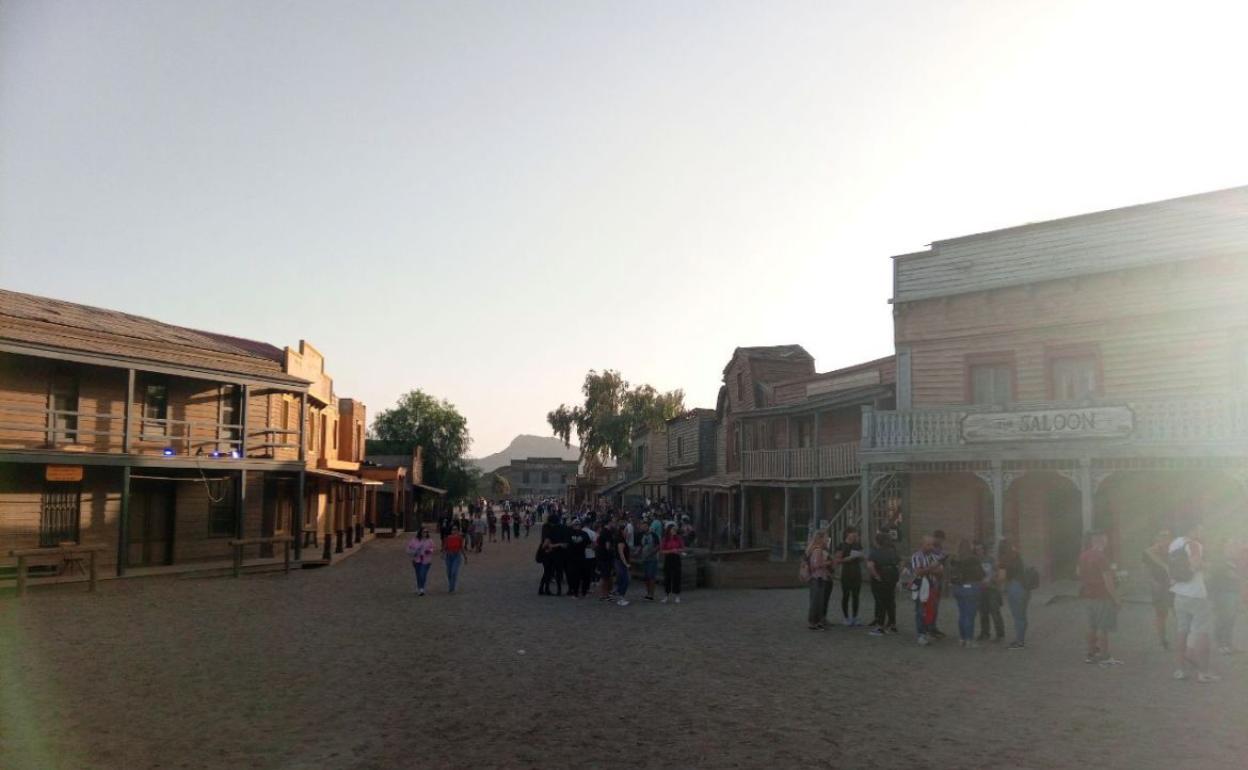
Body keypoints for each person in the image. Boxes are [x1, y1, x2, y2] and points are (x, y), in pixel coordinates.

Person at [1170, 521, 1219, 682]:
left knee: (1181, 631)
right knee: (1202, 633)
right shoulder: (1195, 544)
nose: (1202, 531)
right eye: (1200, 528)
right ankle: (1203, 672)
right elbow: (1195, 564)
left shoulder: (1175, 543)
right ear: (1193, 529)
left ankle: (1179, 670)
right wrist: (1205, 566)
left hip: (1178, 592)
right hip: (1196, 594)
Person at [1078, 531, 1122, 665]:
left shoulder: (1083, 555)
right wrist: (1116, 598)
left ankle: (1090, 654)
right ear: (1102, 541)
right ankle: (1105, 656)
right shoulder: (1102, 557)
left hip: (1087, 594)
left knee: (1091, 626)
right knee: (1103, 628)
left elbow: (1078, 572)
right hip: (1102, 595)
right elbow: (1108, 581)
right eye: (1105, 540)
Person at [950, 539, 985, 648]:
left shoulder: (955, 559)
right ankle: (969, 640)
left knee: (962, 614)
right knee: (970, 615)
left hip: (958, 589)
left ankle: (962, 639)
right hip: (971, 588)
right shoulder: (973, 559)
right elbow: (981, 574)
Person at [909, 536, 944, 646]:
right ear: (922, 544)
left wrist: (930, 569)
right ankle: (921, 634)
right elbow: (918, 572)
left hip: (933, 586)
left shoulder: (934, 556)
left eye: (932, 545)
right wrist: (931, 568)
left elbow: (940, 572)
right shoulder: (916, 556)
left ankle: (929, 630)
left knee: (931, 610)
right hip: (921, 587)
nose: (931, 547)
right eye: (928, 545)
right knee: (920, 610)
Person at [1142, 529, 1173, 649]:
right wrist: (1152, 582)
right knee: (1161, 614)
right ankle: (1162, 639)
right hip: (1159, 586)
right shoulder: (1149, 552)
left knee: (1178, 612)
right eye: (1162, 537)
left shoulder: (1172, 551)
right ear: (1156, 538)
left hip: (1173, 585)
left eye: (1167, 537)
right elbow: (1145, 570)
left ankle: (1182, 638)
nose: (1165, 539)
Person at [1210, 538, 1242, 656]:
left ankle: (1228, 643)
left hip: (1233, 592)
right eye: (1230, 546)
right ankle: (1220, 644)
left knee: (1231, 620)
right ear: (1224, 547)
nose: (1233, 548)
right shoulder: (1219, 560)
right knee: (1222, 619)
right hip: (1222, 593)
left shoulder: (1234, 560)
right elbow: (1221, 575)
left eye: (1234, 546)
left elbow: (1237, 575)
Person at [867, 532, 900, 635]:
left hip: (881, 577)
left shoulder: (874, 552)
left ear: (877, 541)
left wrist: (876, 576)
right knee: (890, 601)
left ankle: (880, 626)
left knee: (880, 602)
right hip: (892, 577)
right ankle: (892, 624)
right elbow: (901, 562)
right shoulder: (891, 551)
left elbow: (870, 566)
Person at [999, 539, 1029, 650]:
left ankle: (1019, 642)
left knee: (1017, 616)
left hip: (1013, 587)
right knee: (1022, 615)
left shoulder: (1004, 559)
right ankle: (1021, 639)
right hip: (1024, 587)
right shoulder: (1017, 556)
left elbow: (1001, 577)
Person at [974, 541, 1005, 642]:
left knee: (994, 611)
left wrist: (990, 579)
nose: (978, 551)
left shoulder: (991, 559)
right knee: (983, 612)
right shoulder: (975, 560)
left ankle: (1000, 634)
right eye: (976, 549)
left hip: (992, 589)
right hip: (981, 589)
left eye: (980, 549)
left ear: (984, 550)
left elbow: (997, 571)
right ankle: (985, 633)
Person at [835, 527, 865, 626]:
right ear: (847, 534)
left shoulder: (857, 545)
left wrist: (860, 556)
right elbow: (838, 560)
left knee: (856, 596)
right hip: (846, 571)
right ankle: (846, 617)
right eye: (853, 533)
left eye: (856, 533)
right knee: (846, 595)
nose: (855, 535)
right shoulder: (841, 545)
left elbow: (862, 557)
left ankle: (855, 616)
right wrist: (847, 559)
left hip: (856, 571)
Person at [806, 530, 833, 630]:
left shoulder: (817, 549)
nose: (827, 540)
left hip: (820, 577)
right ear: (821, 539)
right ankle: (813, 622)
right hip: (818, 578)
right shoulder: (817, 550)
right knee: (816, 601)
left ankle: (816, 621)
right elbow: (816, 565)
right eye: (826, 538)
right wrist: (827, 563)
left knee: (819, 601)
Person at [405, 527, 436, 596]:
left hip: (426, 560)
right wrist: (413, 552)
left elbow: (432, 548)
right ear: (420, 532)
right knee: (418, 575)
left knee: (423, 574)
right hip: (417, 560)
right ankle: (420, 587)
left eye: (426, 532)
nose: (425, 533)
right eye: (424, 532)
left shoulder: (429, 540)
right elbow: (407, 549)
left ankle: (422, 588)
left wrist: (430, 551)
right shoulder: (414, 540)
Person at [661, 524, 685, 604]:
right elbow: (662, 551)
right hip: (668, 558)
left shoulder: (678, 538)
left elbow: (682, 548)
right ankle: (666, 596)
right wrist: (671, 551)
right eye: (672, 529)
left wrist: (678, 550)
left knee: (677, 577)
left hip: (676, 558)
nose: (674, 531)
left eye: (675, 529)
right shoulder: (665, 539)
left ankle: (677, 596)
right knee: (667, 577)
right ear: (669, 530)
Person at [567, 520, 592, 599]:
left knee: (581, 576)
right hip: (575, 557)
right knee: (577, 576)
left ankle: (580, 592)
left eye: (578, 525)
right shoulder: (571, 533)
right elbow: (589, 544)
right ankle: (577, 592)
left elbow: (589, 543)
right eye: (576, 525)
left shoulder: (581, 533)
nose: (577, 526)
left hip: (579, 557)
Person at [639, 525, 660, 601]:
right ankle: (648, 593)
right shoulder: (642, 535)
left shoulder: (654, 535)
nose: (643, 528)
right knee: (646, 577)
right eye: (642, 526)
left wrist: (651, 553)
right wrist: (638, 551)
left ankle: (651, 594)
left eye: (645, 526)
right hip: (644, 559)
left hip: (652, 559)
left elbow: (658, 546)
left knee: (651, 576)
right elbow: (641, 545)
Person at [443, 525, 465, 593]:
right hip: (449, 556)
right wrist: (443, 554)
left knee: (454, 572)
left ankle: (452, 587)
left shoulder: (459, 538)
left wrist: (465, 556)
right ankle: (451, 584)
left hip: (457, 556)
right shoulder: (448, 538)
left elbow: (461, 547)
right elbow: (445, 547)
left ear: (457, 531)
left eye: (455, 529)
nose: (454, 531)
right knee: (449, 572)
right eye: (453, 529)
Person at [614, 524, 632, 607]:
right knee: (625, 579)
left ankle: (620, 596)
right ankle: (621, 597)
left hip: (620, 562)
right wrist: (626, 563)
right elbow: (621, 553)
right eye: (626, 531)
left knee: (623, 579)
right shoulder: (620, 540)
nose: (628, 532)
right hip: (621, 562)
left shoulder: (622, 539)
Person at [580, 520, 598, 598]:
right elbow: (594, 544)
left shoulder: (579, 532)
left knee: (581, 572)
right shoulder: (592, 533)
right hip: (590, 555)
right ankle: (587, 588)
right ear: (590, 524)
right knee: (588, 573)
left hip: (580, 554)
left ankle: (580, 588)